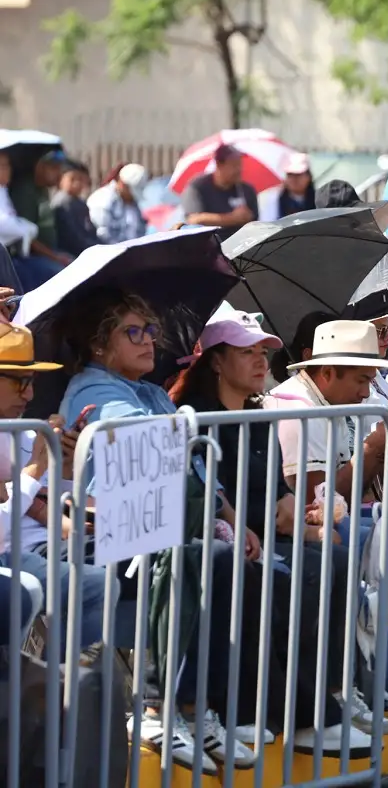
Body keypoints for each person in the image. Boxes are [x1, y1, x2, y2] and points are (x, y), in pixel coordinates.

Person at [56, 289, 266, 771]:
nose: (149, 341)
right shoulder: (93, 388)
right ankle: (157, 708)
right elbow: (146, 445)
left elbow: (192, 467)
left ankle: (196, 710)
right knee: (206, 557)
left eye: (151, 330)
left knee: (229, 558)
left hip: (159, 529)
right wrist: (187, 431)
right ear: (98, 343)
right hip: (107, 538)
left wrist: (232, 518)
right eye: (133, 331)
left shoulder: (148, 390)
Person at [168, 307, 377, 750]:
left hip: (266, 535)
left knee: (336, 559)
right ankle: (292, 711)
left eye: (264, 350)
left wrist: (305, 520)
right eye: (248, 352)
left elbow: (282, 496)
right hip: (227, 542)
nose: (262, 360)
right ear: (217, 361)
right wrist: (282, 522)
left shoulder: (259, 417)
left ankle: (329, 696)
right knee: (297, 576)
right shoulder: (195, 417)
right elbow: (218, 496)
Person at [0, 321, 107, 653]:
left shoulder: (24, 431)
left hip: (45, 545)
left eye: (32, 382)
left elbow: (58, 496)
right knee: (96, 584)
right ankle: (53, 684)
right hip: (17, 554)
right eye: (20, 382)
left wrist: (67, 463)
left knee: (160, 554)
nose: (30, 395)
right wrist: (34, 469)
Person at [266, 320, 388, 549]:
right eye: (362, 380)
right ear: (327, 372)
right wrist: (371, 450)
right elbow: (317, 506)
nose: (366, 393)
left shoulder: (329, 402)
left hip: (327, 527)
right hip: (298, 538)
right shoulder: (300, 412)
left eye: (370, 381)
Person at [8, 149, 71, 288]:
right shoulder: (25, 192)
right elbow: (29, 239)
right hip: (29, 258)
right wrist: (55, 257)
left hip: (50, 253)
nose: (59, 173)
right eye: (53, 168)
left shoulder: (43, 189)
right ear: (39, 166)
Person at [180, 144, 258, 240]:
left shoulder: (246, 190)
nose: (239, 169)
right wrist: (233, 218)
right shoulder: (198, 187)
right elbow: (193, 219)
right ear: (219, 165)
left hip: (241, 245)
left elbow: (256, 222)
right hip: (209, 245)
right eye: (234, 165)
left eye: (240, 164)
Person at [88, 163, 148, 244]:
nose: (133, 197)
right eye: (131, 191)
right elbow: (102, 235)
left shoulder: (132, 203)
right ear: (123, 184)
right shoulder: (102, 200)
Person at [0, 150, 39, 260]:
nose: (8, 170)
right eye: (2, 166)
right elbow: (3, 223)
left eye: (8, 165)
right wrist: (25, 228)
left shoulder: (3, 190)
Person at [276, 153, 316, 219]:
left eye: (298, 174)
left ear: (308, 176)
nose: (294, 179)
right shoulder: (275, 201)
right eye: (290, 175)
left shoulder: (318, 200)